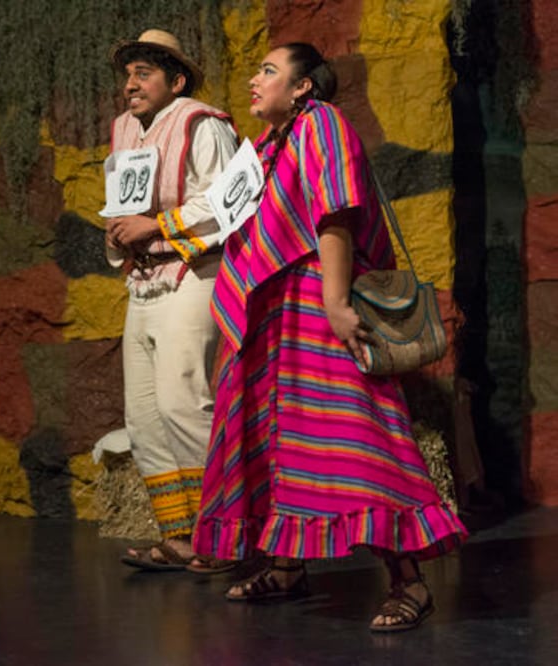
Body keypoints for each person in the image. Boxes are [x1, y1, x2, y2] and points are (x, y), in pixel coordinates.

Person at [192, 43, 468, 630]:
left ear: (302, 87)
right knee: (277, 436)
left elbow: (335, 213)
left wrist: (337, 302)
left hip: (314, 304)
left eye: (269, 70)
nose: (254, 79)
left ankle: (410, 583)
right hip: (272, 316)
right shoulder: (268, 145)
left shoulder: (322, 125)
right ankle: (286, 566)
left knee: (355, 434)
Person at [104, 30, 239, 571]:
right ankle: (180, 534)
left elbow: (227, 199)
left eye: (144, 74)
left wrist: (157, 225)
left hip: (192, 272)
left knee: (183, 403)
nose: (130, 85)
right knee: (144, 414)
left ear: (176, 81)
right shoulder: (124, 129)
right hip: (143, 281)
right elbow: (122, 201)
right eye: (128, 75)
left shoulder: (200, 123)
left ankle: (225, 534)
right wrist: (119, 233)